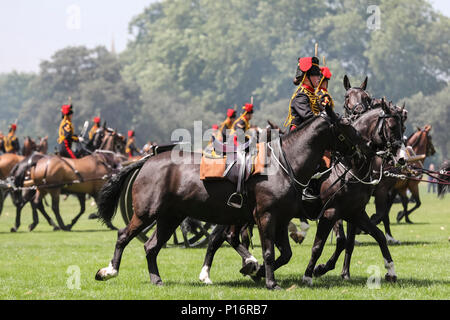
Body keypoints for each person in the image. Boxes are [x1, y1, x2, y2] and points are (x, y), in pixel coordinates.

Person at [284, 56, 322, 131]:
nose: (319, 77)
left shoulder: (313, 96)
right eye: (315, 74)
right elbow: (310, 118)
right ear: (306, 77)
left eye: (319, 74)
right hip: (298, 138)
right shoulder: (300, 96)